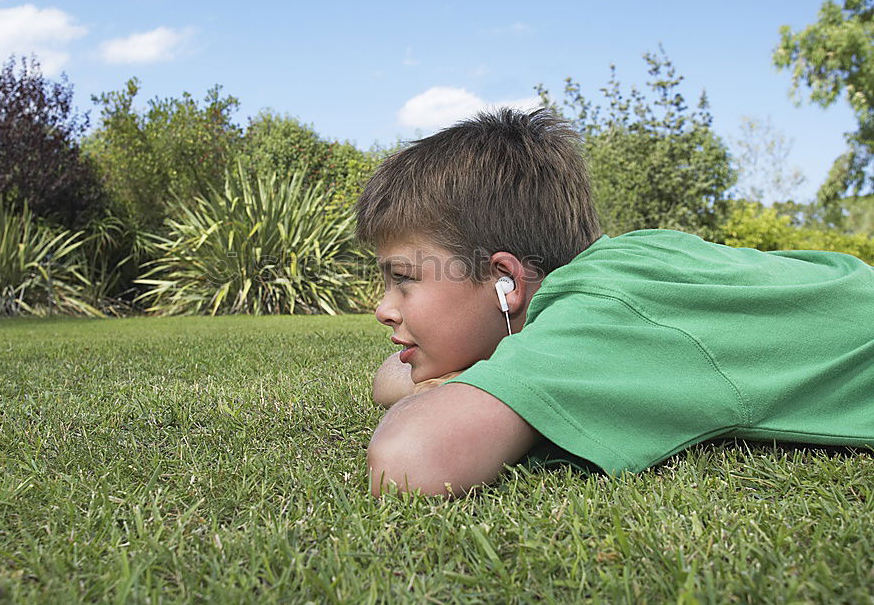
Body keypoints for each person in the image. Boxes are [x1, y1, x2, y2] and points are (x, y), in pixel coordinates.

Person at [354, 107, 874, 498]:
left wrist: (461, 385)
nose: (384, 308)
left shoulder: (598, 314)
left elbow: (407, 464)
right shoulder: (627, 263)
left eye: (403, 279)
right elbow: (390, 378)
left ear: (505, 282)